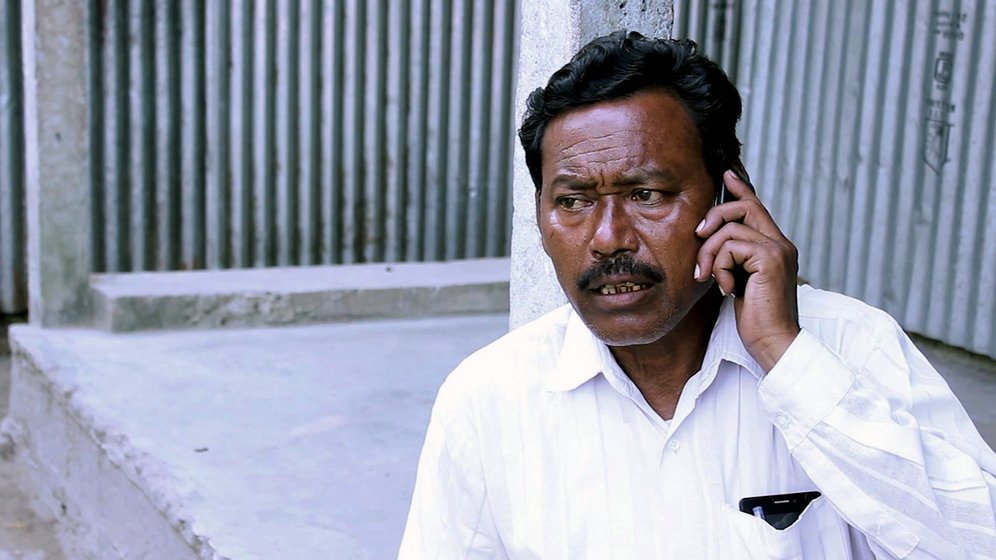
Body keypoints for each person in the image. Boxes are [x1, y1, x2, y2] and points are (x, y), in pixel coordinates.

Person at [399, 30, 996, 559]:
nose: (608, 238)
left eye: (648, 194)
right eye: (573, 201)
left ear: (728, 199)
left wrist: (785, 356)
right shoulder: (490, 398)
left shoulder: (851, 347)